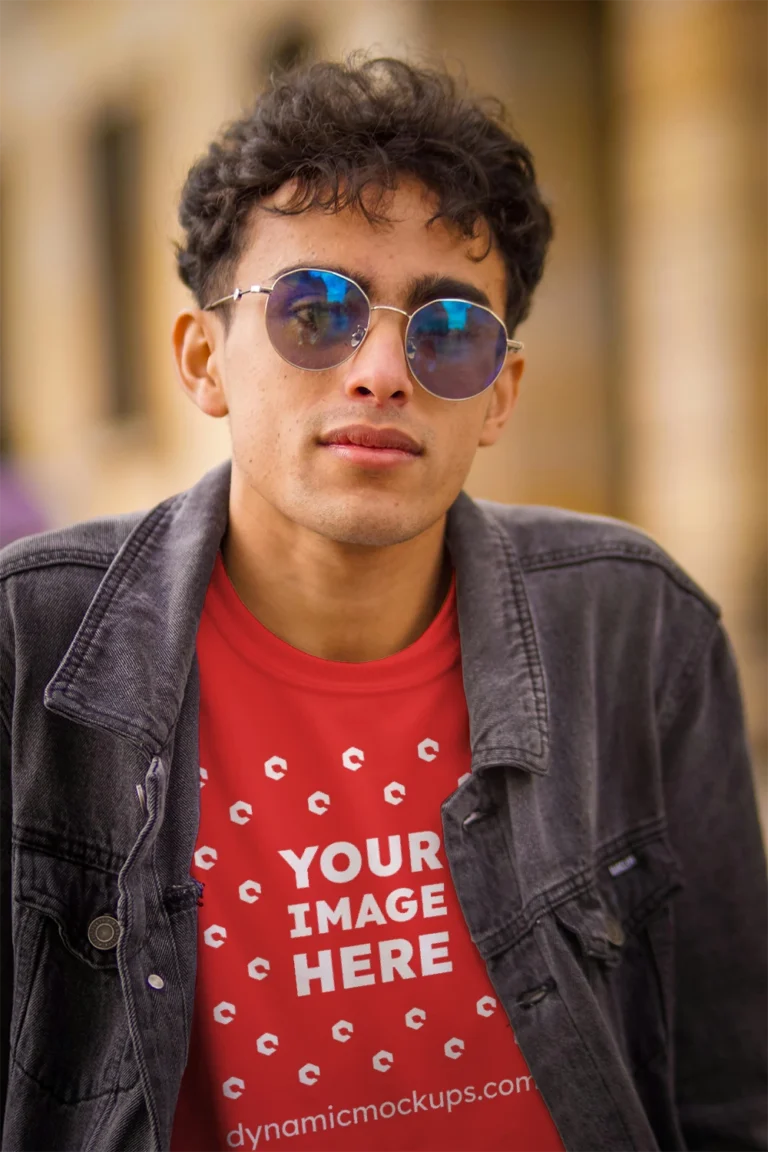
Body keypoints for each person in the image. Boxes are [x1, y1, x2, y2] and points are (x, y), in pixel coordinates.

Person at [0, 55, 766, 1152]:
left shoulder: (635, 627)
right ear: (203, 359)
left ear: (499, 394)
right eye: (316, 311)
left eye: (450, 330)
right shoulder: (30, 645)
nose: (382, 369)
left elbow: (728, 1093)